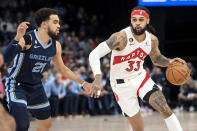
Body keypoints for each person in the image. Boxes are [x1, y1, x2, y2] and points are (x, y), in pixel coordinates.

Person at [89, 6, 185, 131]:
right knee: (138, 128)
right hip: (121, 85)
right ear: (131, 21)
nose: (137, 23)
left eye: (141, 19)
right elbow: (94, 54)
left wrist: (169, 62)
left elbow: (156, 59)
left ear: (147, 21)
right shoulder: (121, 37)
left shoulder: (152, 40)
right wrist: (98, 76)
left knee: (164, 107)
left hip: (140, 77)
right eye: (134, 20)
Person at [3, 8, 92, 131]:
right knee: (22, 125)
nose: (59, 26)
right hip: (17, 85)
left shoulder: (56, 45)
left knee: (46, 125)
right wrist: (18, 37)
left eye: (59, 22)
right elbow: (7, 58)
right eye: (55, 22)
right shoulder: (28, 39)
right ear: (44, 24)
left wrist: (83, 83)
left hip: (37, 87)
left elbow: (62, 69)